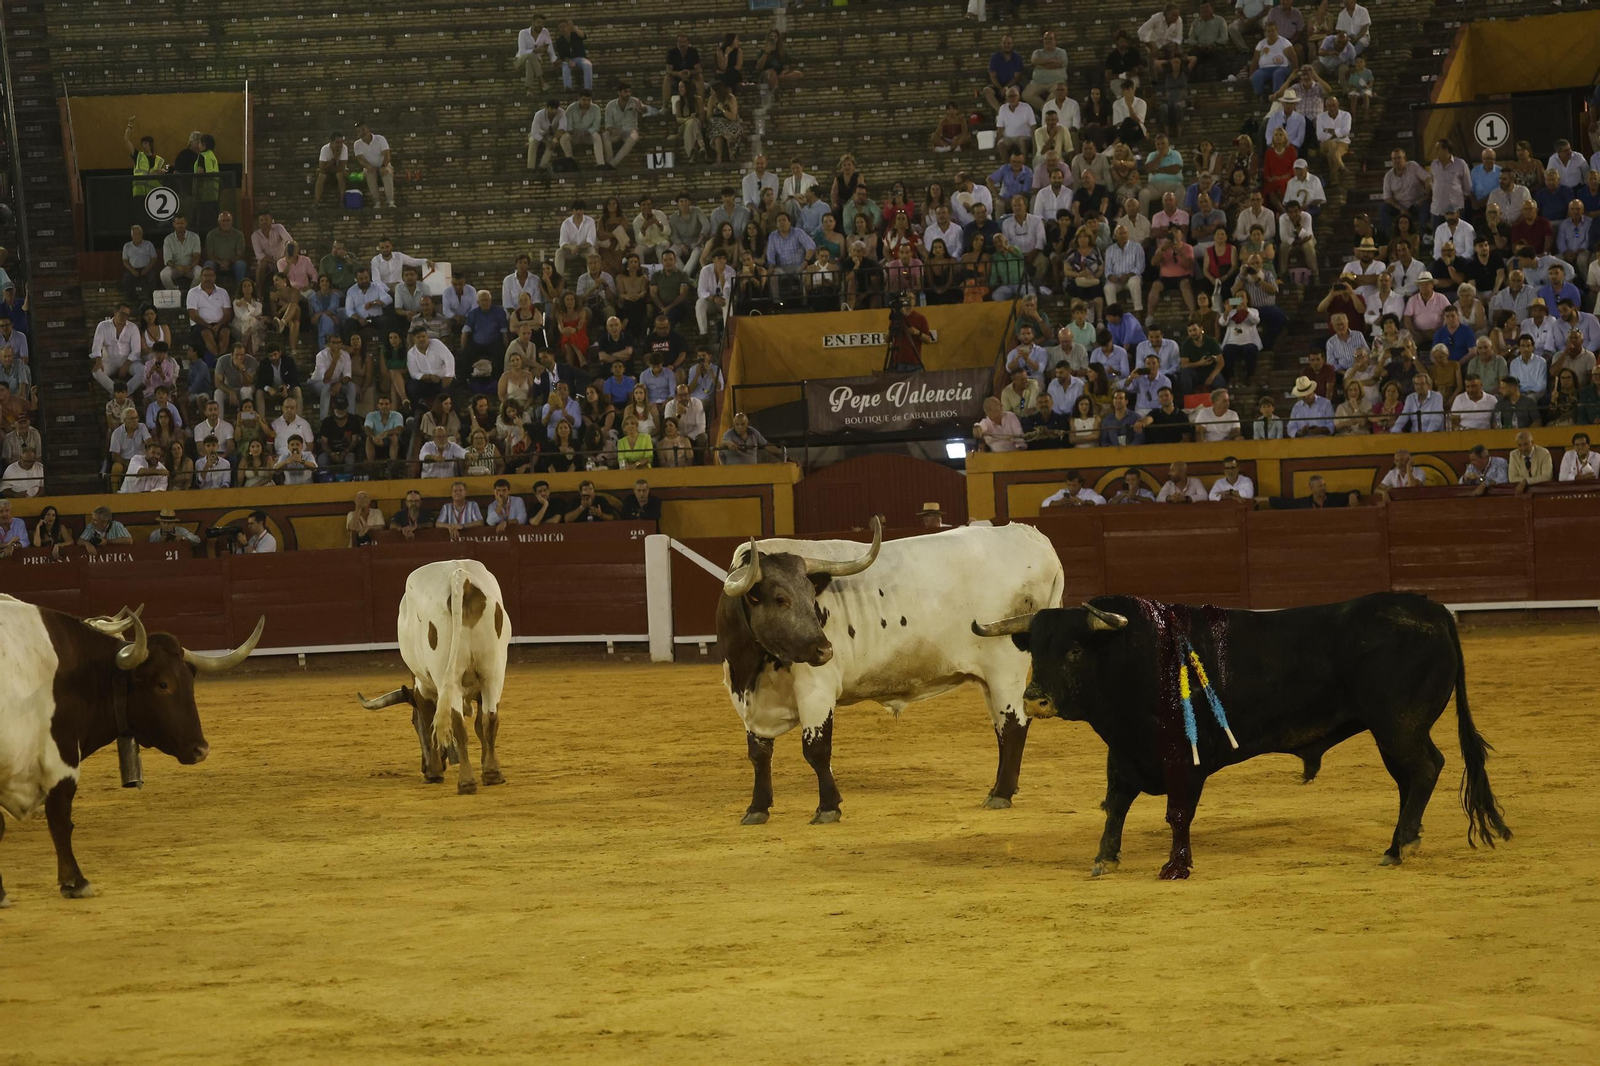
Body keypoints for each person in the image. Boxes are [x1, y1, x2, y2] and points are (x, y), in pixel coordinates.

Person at [1041, 470, 1105, 508]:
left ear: (1080, 484)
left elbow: (1102, 500)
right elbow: (1044, 503)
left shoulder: (1088, 492)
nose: (1071, 488)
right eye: (1069, 485)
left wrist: (1082, 502)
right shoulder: (1062, 492)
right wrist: (1060, 503)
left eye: (1074, 485)